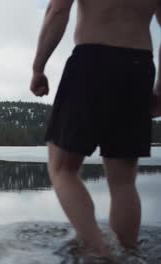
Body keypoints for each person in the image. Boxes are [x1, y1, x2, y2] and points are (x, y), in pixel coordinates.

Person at [30, 0, 161, 257]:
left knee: (62, 168)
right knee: (124, 182)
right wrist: (160, 88)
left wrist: (38, 68)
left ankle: (100, 253)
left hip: (92, 60)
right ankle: (127, 254)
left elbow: (57, 10)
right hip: (138, 66)